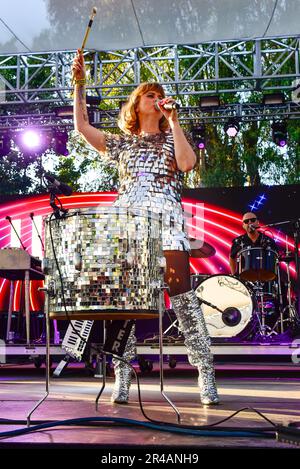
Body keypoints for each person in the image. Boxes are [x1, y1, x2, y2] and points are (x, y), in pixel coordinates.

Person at [72, 49, 219, 406]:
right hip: (128, 223)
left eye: (159, 95)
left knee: (181, 294)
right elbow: (82, 127)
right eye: (149, 95)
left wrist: (175, 121)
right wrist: (78, 86)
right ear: (136, 105)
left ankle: (205, 370)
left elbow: (187, 164)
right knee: (128, 300)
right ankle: (122, 374)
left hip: (167, 217)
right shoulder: (122, 142)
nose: (156, 98)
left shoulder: (172, 139)